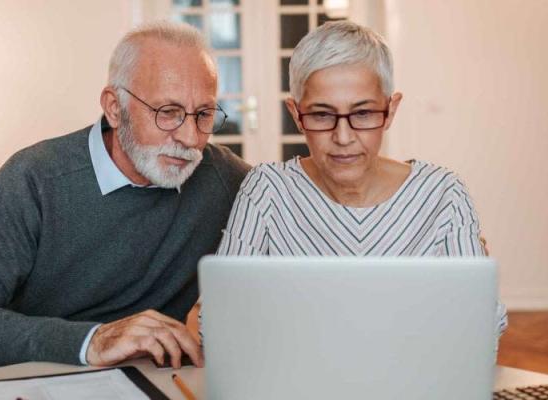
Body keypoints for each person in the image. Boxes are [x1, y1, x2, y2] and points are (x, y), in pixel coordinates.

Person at [0, 21, 251, 371]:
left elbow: (295, 194)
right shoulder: (36, 178)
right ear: (114, 107)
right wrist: (92, 340)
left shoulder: (222, 177)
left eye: (203, 115)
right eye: (167, 113)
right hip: (35, 377)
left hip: (151, 382)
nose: (189, 137)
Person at [202, 21, 507, 341]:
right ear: (296, 114)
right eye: (321, 115)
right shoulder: (266, 190)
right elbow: (219, 321)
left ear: (390, 111)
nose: (343, 137)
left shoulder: (443, 194)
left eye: (362, 114)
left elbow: (481, 329)